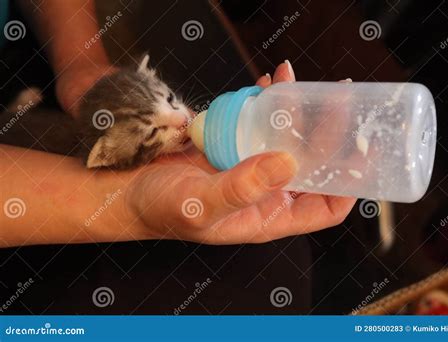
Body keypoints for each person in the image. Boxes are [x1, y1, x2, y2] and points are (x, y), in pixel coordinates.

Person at [0, 0, 355, 248]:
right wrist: (130, 205)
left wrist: (80, 61)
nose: (183, 119)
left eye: (171, 100)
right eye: (156, 131)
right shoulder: (105, 151)